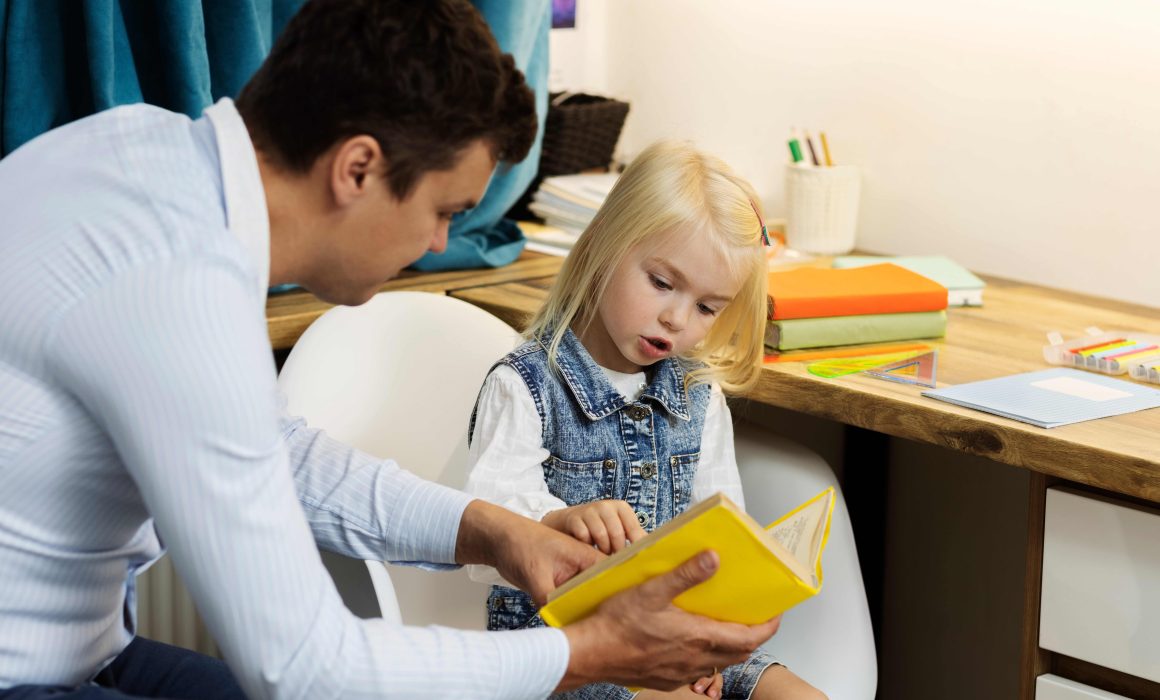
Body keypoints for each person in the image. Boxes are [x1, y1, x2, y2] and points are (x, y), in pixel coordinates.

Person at [0, 1, 781, 699]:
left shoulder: (155, 160)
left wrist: (497, 531)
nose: (440, 243)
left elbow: (274, 453)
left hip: (90, 653)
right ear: (358, 168)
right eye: (444, 210)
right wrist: (586, 653)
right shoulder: (176, 283)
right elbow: (304, 667)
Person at [464, 141, 827, 700]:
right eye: (661, 282)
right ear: (604, 247)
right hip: (564, 646)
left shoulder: (698, 395)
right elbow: (486, 539)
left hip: (681, 627)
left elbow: (722, 532)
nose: (676, 318)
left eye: (707, 307)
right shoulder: (525, 385)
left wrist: (712, 636)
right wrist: (560, 521)